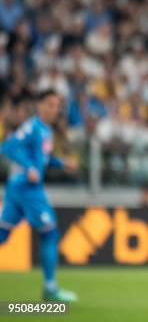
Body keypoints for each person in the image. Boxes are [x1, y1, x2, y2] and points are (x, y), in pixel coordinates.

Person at [0, 89, 78, 302]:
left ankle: (50, 288)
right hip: (28, 190)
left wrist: (62, 163)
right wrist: (28, 168)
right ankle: (50, 289)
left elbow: (42, 158)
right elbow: (7, 147)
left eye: (58, 105)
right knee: (50, 234)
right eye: (51, 104)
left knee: (2, 235)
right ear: (40, 105)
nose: (55, 109)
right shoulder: (32, 126)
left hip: (17, 189)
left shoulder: (45, 130)